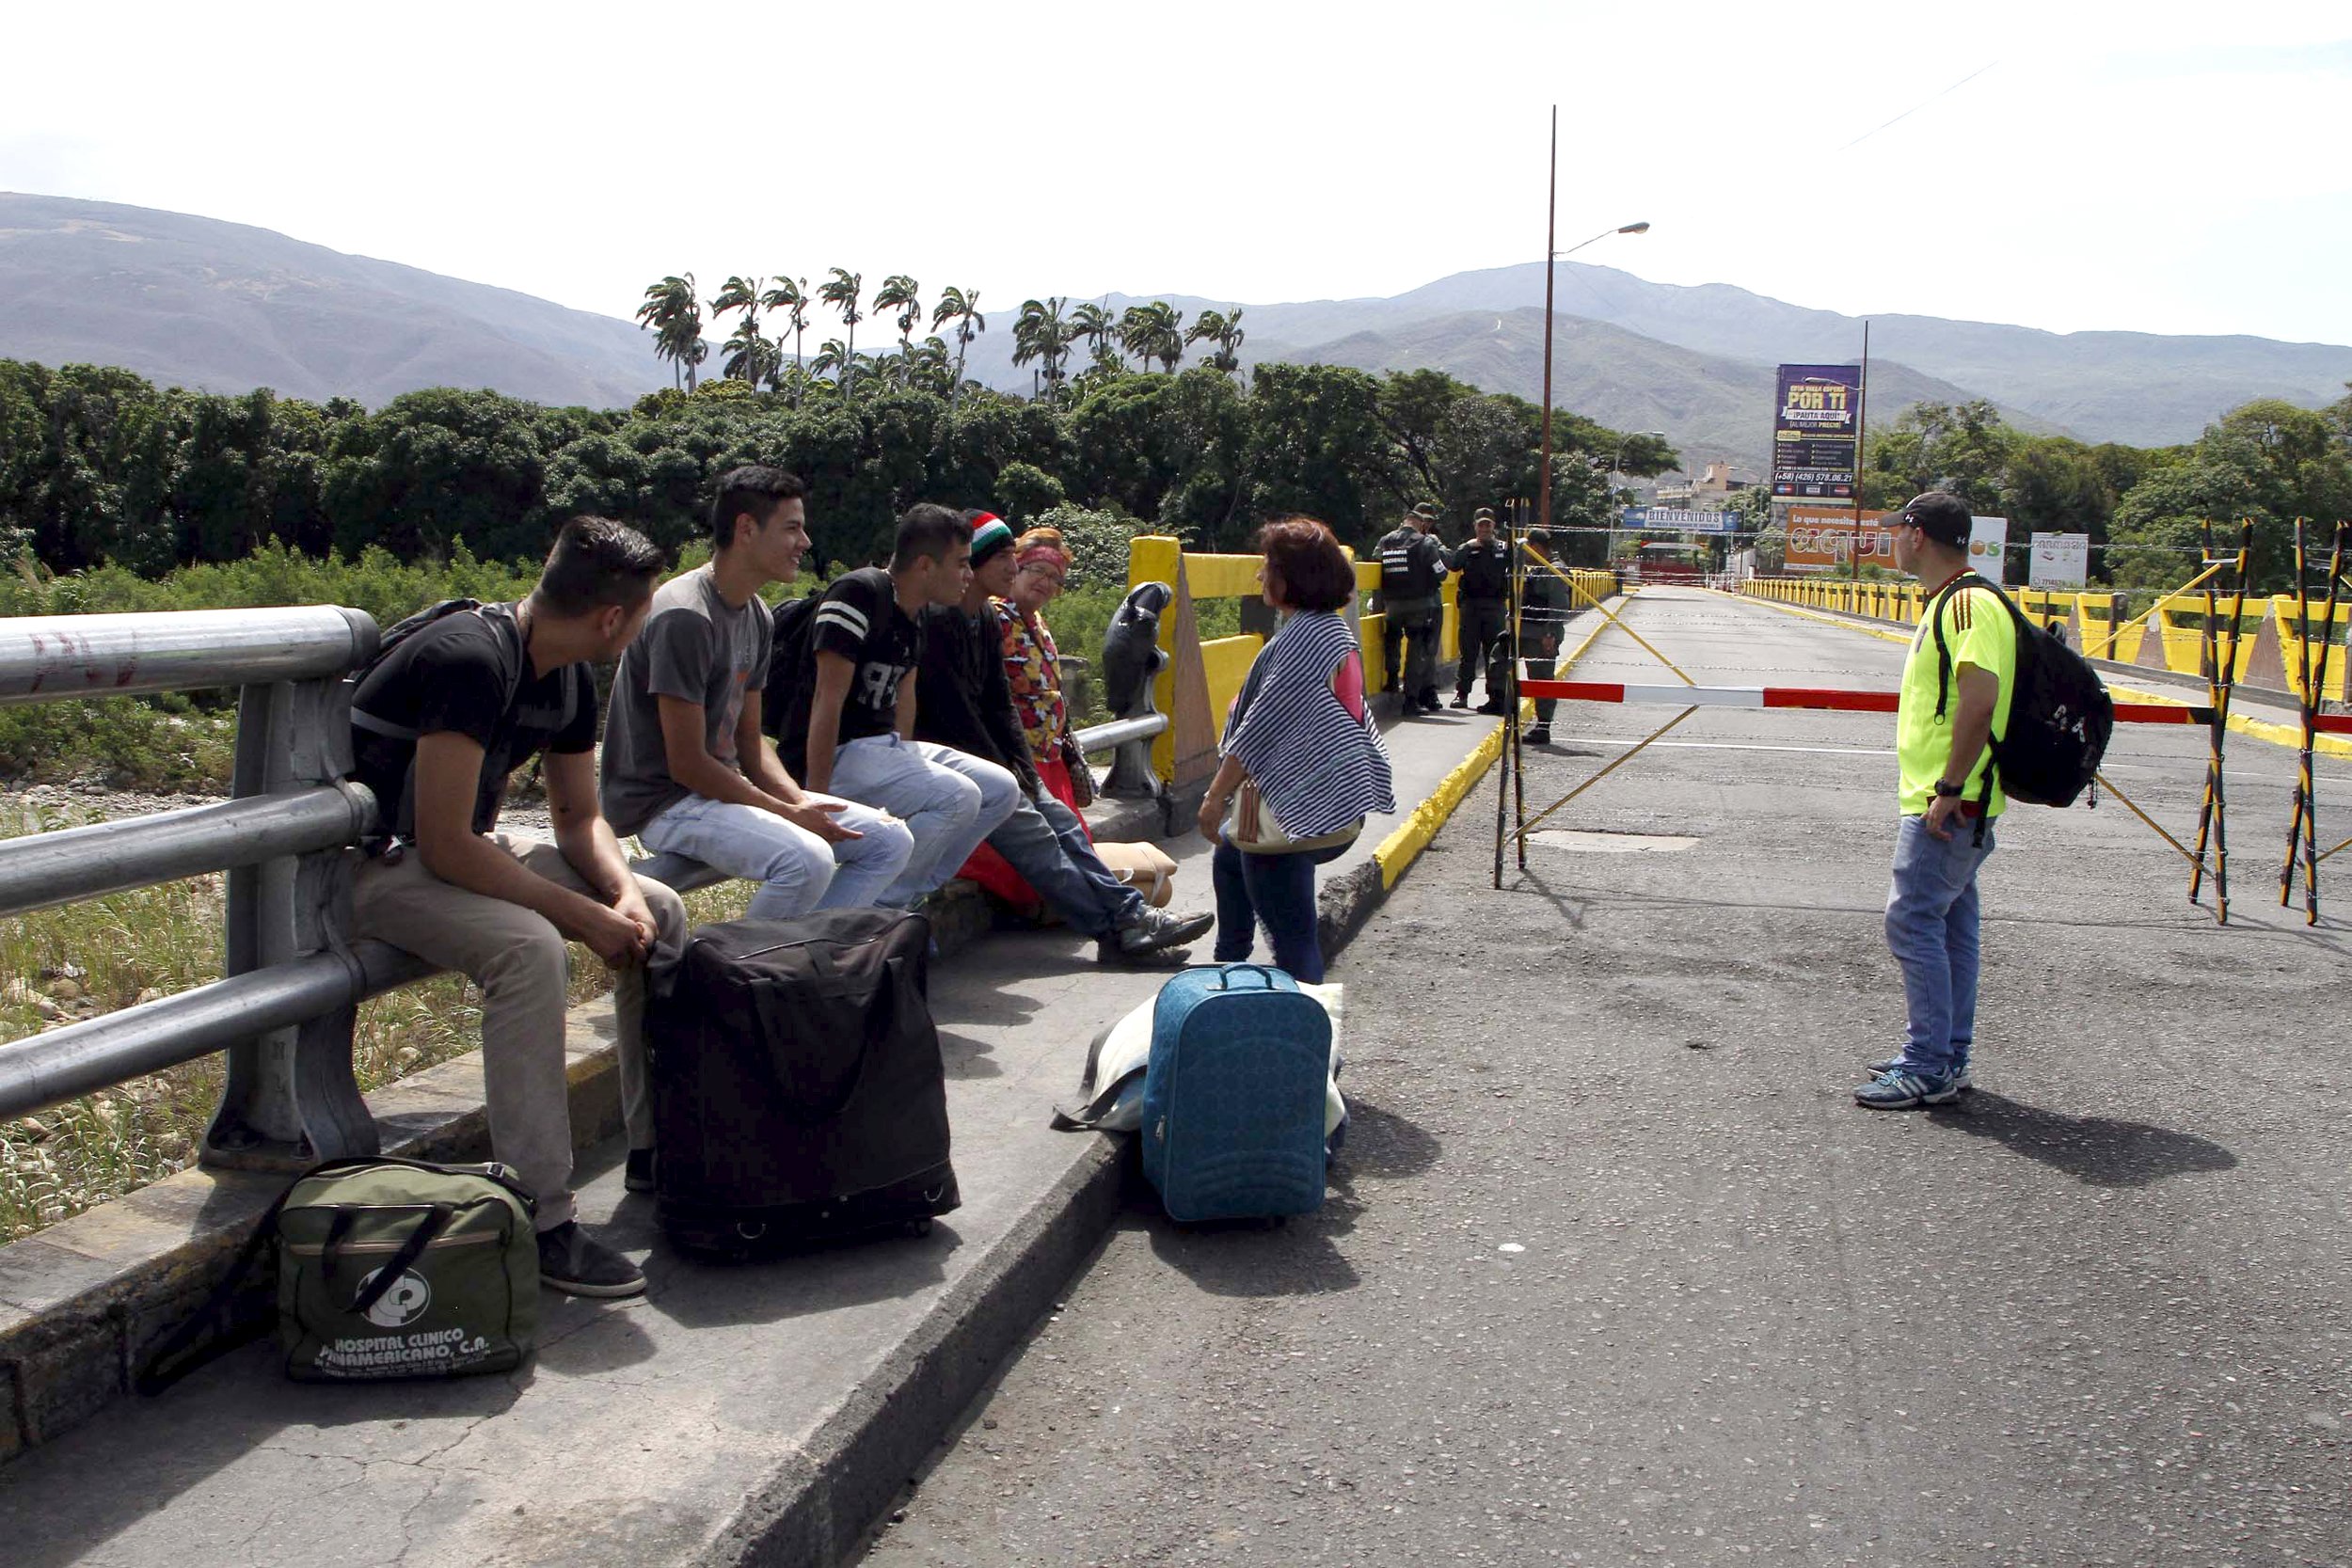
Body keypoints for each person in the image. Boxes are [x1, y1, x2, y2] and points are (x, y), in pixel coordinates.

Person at [348, 517, 680, 1298]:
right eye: (643, 613)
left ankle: (658, 1145)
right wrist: (582, 915)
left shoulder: (564, 672)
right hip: (368, 864)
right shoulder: (474, 658)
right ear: (612, 620)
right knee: (533, 948)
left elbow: (577, 817)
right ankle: (541, 1217)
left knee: (659, 905)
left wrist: (622, 892)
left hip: (448, 851)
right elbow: (444, 843)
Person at [601, 465, 914, 939]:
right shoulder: (686, 615)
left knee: (889, 840)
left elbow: (750, 742)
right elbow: (686, 763)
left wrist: (796, 799)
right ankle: (727, 980)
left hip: (716, 790)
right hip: (663, 801)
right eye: (792, 528)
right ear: (746, 528)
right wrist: (789, 815)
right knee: (804, 859)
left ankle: (804, 957)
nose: (805, 542)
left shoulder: (758, 616)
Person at [915, 514, 1212, 960]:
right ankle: (1125, 928)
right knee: (1043, 845)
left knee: (1067, 830)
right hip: (965, 767)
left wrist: (1020, 771)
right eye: (1017, 565)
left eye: (1051, 577)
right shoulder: (956, 620)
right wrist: (1009, 770)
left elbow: (998, 706)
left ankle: (1128, 923)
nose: (1022, 575)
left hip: (1008, 763)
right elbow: (957, 711)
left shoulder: (982, 620)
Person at [766, 502, 1020, 906]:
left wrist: (903, 759)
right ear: (924, 565)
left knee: (1002, 790)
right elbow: (824, 700)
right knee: (958, 796)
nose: (968, 575)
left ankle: (905, 894)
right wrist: (815, 796)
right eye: (960, 564)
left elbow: (905, 699)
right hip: (834, 753)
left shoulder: (917, 612)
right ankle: (880, 907)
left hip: (880, 749)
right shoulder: (859, 594)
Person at [1857, 490, 2015, 1111]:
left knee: (1913, 918)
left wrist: (1949, 788)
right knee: (1952, 926)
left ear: (1918, 534)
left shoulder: (1968, 604)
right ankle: (1948, 1053)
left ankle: (1927, 1064)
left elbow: (1979, 698)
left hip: (1952, 801)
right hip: (1957, 796)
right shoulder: (1955, 600)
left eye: (1898, 531)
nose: (1893, 540)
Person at [1197, 517, 1397, 982]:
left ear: (1292, 578)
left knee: (1295, 945)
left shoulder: (1304, 639)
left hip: (1299, 811)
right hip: (1328, 801)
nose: (1261, 577)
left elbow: (1260, 729)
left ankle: (1306, 1031)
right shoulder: (1327, 628)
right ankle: (1230, 967)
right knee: (1229, 854)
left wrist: (1214, 797)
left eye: (1268, 567)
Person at [1374, 501, 1449, 714]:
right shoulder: (1425, 543)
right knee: (1417, 650)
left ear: (1402, 523)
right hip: (1419, 605)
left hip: (1392, 605)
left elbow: (1376, 560)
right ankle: (1410, 700)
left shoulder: (1385, 540)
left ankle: (1391, 679)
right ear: (1418, 524)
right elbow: (1441, 573)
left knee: (1392, 640)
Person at [1448, 507, 1510, 710]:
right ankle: (1462, 694)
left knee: (1494, 654)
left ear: (1494, 527)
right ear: (1475, 526)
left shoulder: (1503, 548)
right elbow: (1454, 565)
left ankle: (1495, 698)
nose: (1484, 529)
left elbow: (1516, 568)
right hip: (1471, 607)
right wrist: (1467, 547)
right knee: (1468, 653)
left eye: (1488, 525)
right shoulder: (1467, 547)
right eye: (1481, 525)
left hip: (1495, 606)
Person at [1517, 528, 1567, 745]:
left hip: (1541, 636)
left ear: (1536, 548)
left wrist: (1549, 634)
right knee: (1501, 660)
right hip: (1528, 632)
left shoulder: (1554, 570)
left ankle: (1543, 726)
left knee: (1542, 680)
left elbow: (1559, 606)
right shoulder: (1539, 568)